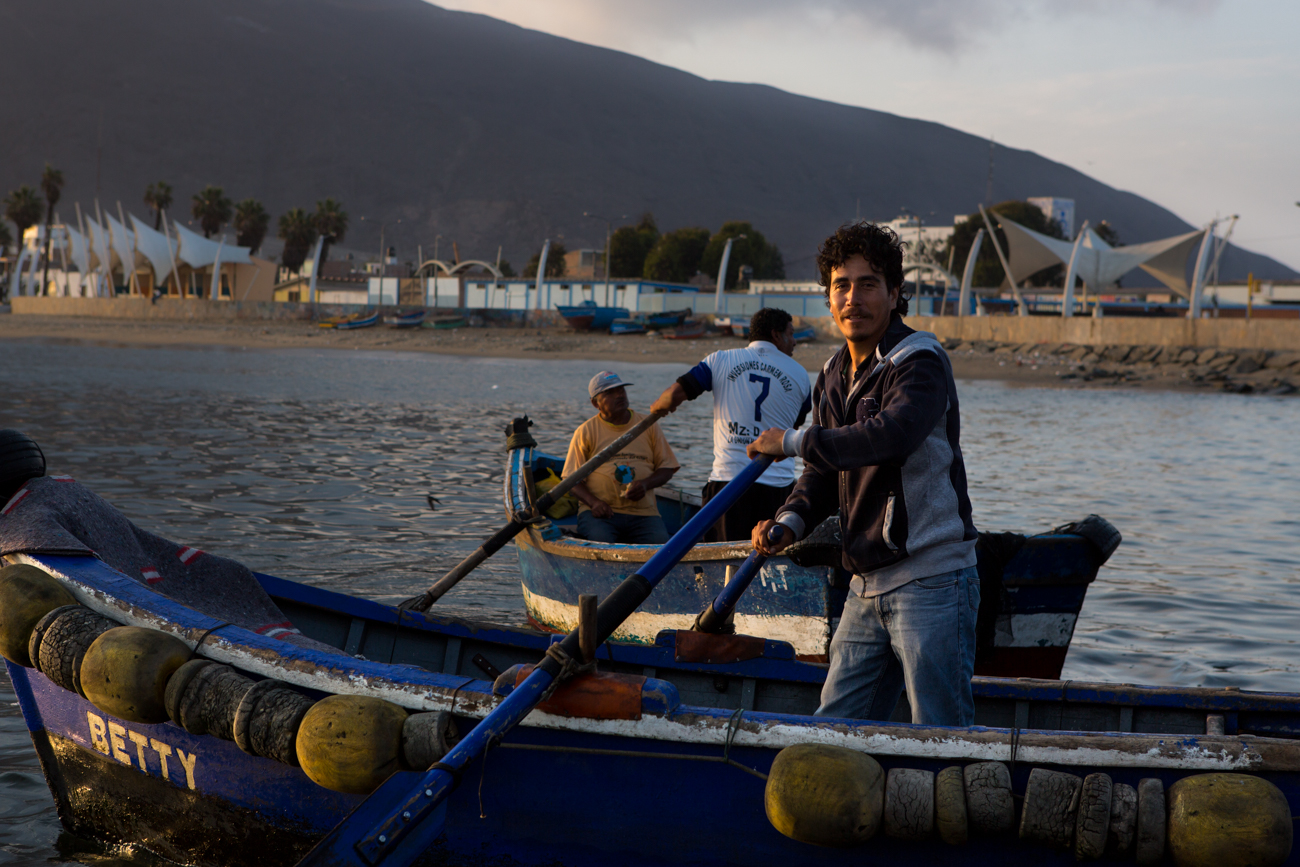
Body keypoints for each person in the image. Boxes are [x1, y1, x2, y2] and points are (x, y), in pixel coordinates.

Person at [746, 222, 980, 727]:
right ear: (828, 300)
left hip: (932, 578)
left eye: (869, 284)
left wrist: (789, 438)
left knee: (941, 734)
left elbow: (889, 435)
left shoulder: (919, 360)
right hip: (865, 582)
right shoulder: (833, 373)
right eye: (841, 286)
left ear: (896, 295)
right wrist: (788, 521)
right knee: (836, 729)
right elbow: (821, 472)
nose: (854, 297)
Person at [650, 308, 811, 542]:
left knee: (721, 563)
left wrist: (660, 407)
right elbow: (792, 431)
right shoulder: (801, 375)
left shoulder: (720, 360)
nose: (795, 342)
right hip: (777, 488)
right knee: (766, 561)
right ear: (776, 335)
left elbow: (673, 395)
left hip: (728, 486)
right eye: (791, 334)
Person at [564, 370, 680, 544]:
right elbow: (570, 480)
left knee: (660, 547)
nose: (619, 395)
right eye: (610, 392)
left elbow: (667, 468)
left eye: (621, 390)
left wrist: (645, 484)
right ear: (595, 404)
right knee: (601, 543)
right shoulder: (585, 431)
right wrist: (594, 503)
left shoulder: (647, 425)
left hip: (643, 514)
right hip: (601, 515)